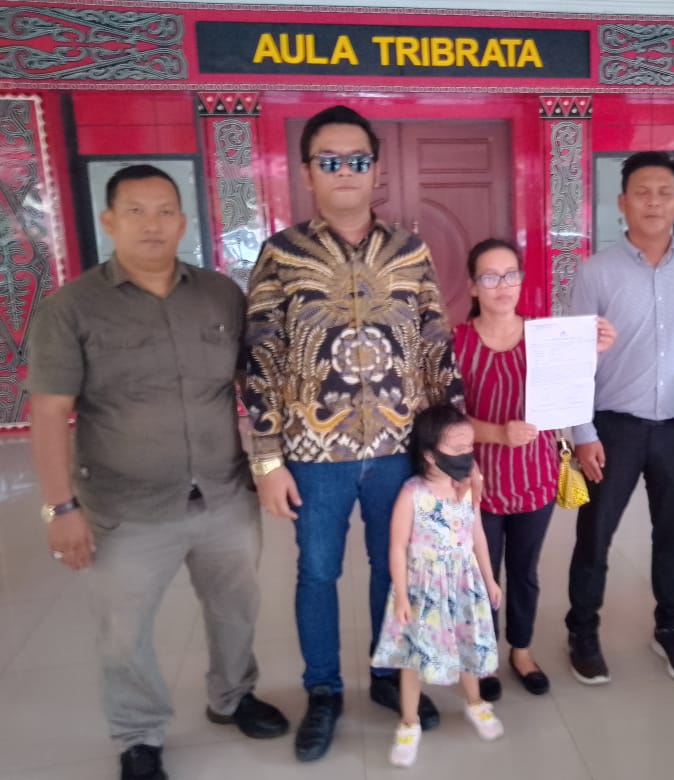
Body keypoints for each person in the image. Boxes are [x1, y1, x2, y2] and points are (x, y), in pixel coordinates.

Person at [28, 165, 288, 780]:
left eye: (165, 210)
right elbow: (50, 412)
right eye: (136, 211)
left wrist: (268, 463)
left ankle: (233, 696)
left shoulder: (220, 294)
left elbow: (254, 386)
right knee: (124, 630)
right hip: (126, 507)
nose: (152, 224)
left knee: (235, 609)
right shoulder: (72, 308)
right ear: (109, 221)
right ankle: (139, 735)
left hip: (223, 493)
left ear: (183, 221)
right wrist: (59, 507)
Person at [243, 105, 462, 762]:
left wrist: (450, 452)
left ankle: (389, 675)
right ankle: (324, 691)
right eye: (330, 160)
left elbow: (435, 346)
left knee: (394, 567)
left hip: (399, 450)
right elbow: (261, 356)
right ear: (307, 172)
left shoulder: (409, 250)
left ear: (375, 171)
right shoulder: (282, 254)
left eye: (357, 160)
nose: (345, 171)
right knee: (317, 572)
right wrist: (266, 461)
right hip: (314, 456)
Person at [565, 151, 674, 685]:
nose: (653, 202)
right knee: (595, 535)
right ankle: (582, 631)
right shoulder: (596, 272)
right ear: (622, 202)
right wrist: (582, 433)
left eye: (664, 193)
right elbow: (574, 356)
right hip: (610, 428)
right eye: (642, 192)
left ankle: (673, 628)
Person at [453, 238, 615, 701]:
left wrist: (592, 352)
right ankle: (483, 655)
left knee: (525, 570)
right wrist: (497, 433)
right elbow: (446, 419)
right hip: (477, 481)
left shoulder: (546, 337)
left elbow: (568, 393)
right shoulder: (457, 343)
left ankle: (521, 650)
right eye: (490, 277)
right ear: (473, 286)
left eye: (511, 275)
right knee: (482, 572)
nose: (502, 285)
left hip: (533, 476)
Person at [371, 404, 503, 768]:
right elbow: (397, 546)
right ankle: (408, 721)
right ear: (430, 454)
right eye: (458, 449)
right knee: (413, 657)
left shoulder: (468, 488)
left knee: (467, 643)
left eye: (469, 448)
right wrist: (401, 595)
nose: (467, 456)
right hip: (423, 589)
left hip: (463, 583)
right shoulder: (412, 493)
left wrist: (489, 578)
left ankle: (475, 702)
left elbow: (477, 535)